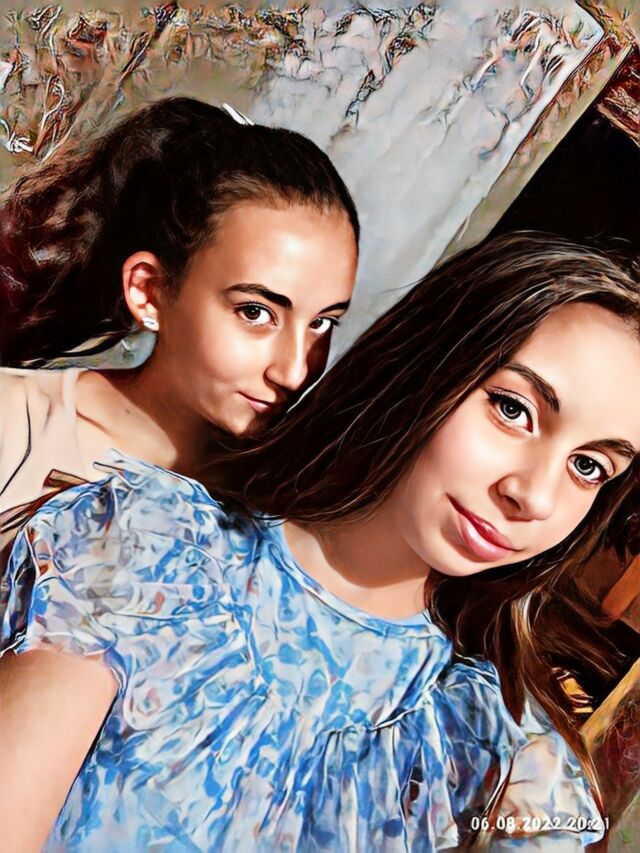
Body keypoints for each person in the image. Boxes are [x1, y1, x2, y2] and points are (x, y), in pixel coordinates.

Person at [1, 233, 638, 851]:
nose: (536, 496)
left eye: (589, 466)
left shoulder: (505, 761)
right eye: (513, 409)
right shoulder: (150, 550)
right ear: (423, 362)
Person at [0, 95, 359, 544]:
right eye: (255, 312)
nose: (294, 373)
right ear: (148, 291)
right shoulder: (12, 423)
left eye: (322, 323)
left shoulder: (290, 521)